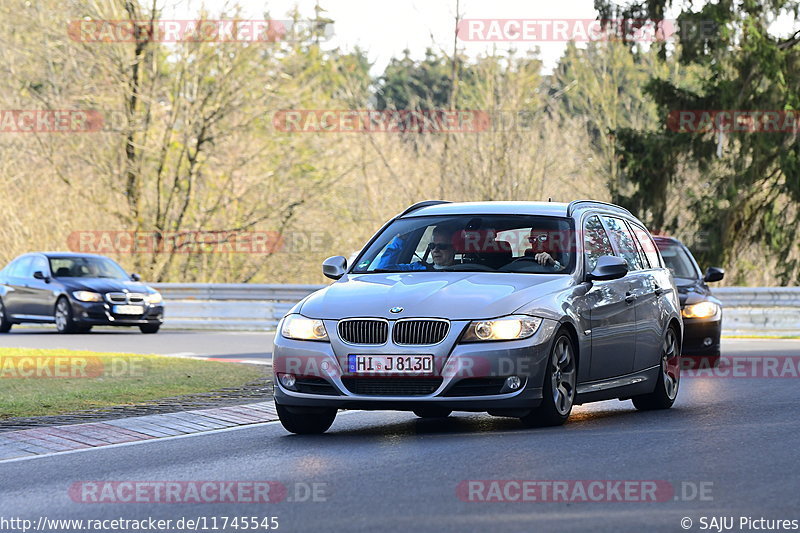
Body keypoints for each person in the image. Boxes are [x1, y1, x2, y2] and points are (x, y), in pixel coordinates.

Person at [374, 225, 457, 271]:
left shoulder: (467, 271)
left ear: (454, 248)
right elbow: (383, 269)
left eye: (442, 246)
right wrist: (400, 240)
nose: (435, 250)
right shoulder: (418, 268)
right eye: (432, 246)